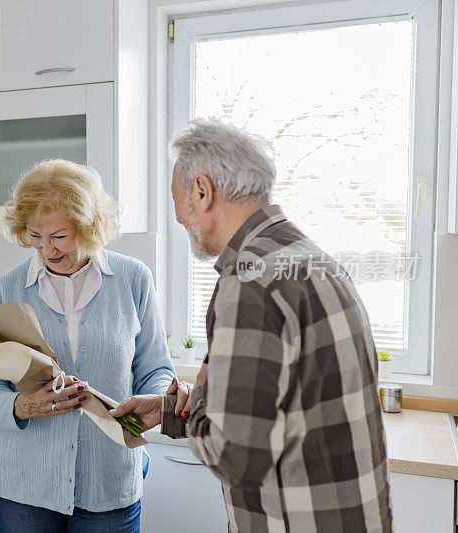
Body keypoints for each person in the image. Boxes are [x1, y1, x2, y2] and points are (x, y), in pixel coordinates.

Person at [112, 119, 392, 532]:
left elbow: (235, 455)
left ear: (202, 192)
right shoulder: (313, 261)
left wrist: (204, 395)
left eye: (176, 199)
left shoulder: (249, 283)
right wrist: (170, 411)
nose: (176, 216)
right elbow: (280, 404)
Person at [0, 159, 175, 533]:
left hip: (109, 477)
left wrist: (155, 402)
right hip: (23, 485)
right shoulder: (7, 288)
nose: (47, 250)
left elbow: (156, 369)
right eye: (34, 236)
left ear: (89, 226)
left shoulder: (133, 279)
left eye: (59, 236)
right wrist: (22, 405)